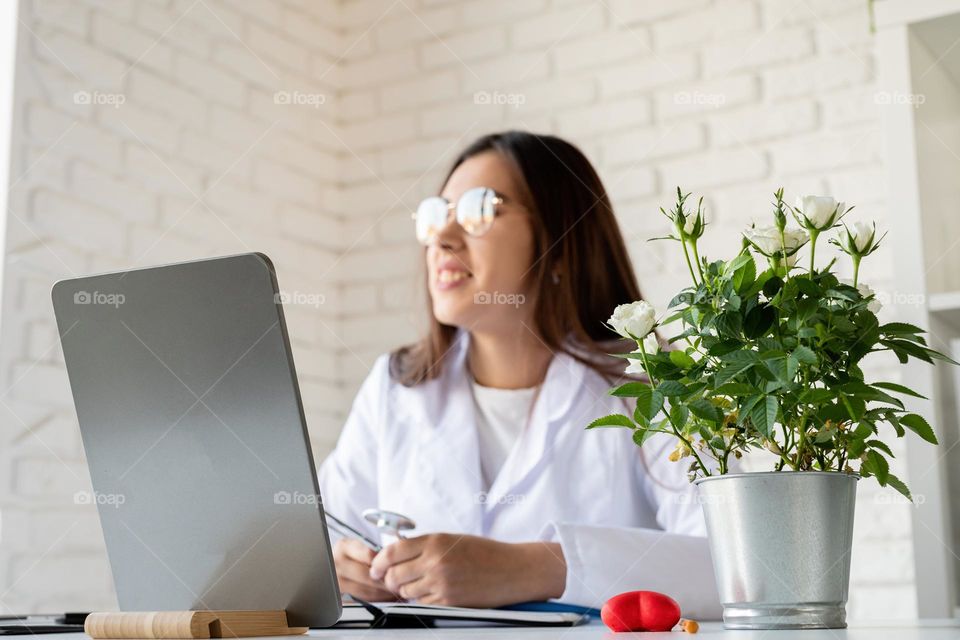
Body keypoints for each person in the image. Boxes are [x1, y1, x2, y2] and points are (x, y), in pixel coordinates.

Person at [318, 130, 721, 618]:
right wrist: (342, 571)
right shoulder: (396, 385)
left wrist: (540, 567)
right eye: (436, 216)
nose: (443, 238)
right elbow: (325, 538)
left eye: (479, 210)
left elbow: (733, 566)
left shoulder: (650, 380)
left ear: (559, 242)